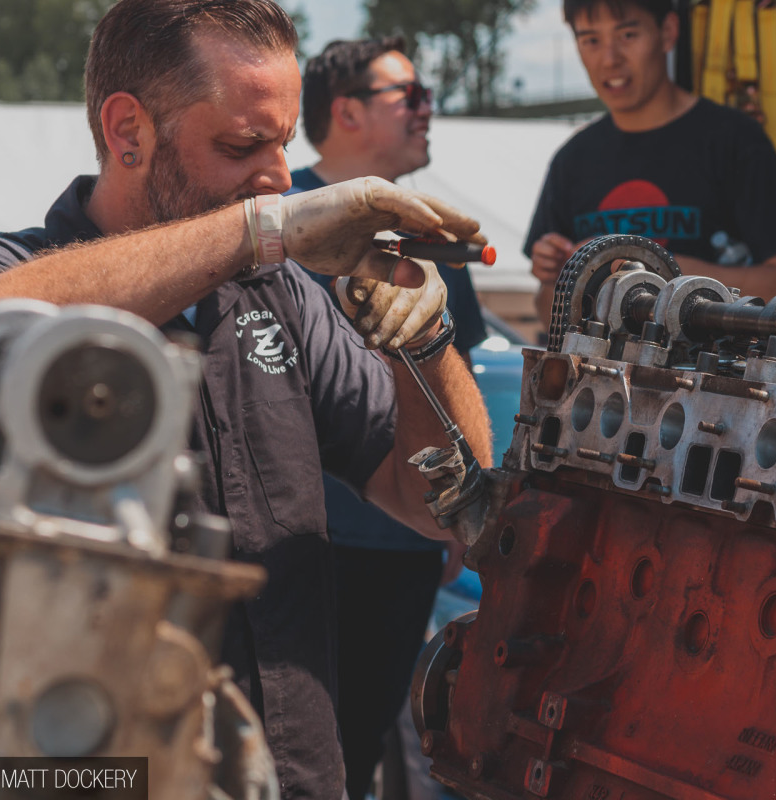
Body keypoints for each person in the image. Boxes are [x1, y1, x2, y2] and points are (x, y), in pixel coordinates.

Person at [0, 2, 491, 799]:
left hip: (294, 774)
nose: (281, 179)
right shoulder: (7, 267)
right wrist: (259, 231)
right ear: (128, 132)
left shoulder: (281, 296)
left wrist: (424, 341)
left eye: (283, 143)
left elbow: (441, 505)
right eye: (241, 146)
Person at [290, 37, 487, 800]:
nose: (427, 108)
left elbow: (457, 374)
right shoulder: (274, 217)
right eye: (409, 95)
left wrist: (457, 518)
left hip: (400, 545)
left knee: (356, 748)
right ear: (347, 112)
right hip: (301, 541)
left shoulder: (430, 231)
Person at [527, 0, 776, 328]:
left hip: (708, 361)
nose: (609, 59)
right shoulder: (571, 160)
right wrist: (558, 276)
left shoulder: (734, 140)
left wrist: (651, 267)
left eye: (627, 35)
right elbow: (548, 316)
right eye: (591, 40)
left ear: (667, 32)